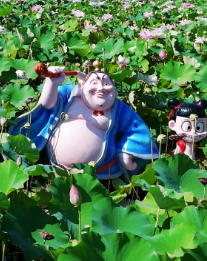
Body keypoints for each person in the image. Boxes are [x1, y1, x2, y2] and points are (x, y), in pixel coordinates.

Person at [9, 63, 158, 179]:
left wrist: (125, 152)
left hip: (101, 172)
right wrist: (52, 83)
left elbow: (136, 129)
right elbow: (47, 105)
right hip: (56, 168)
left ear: (115, 90)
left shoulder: (118, 108)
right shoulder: (69, 95)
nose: (101, 88)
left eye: (106, 83)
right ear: (82, 86)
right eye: (94, 83)